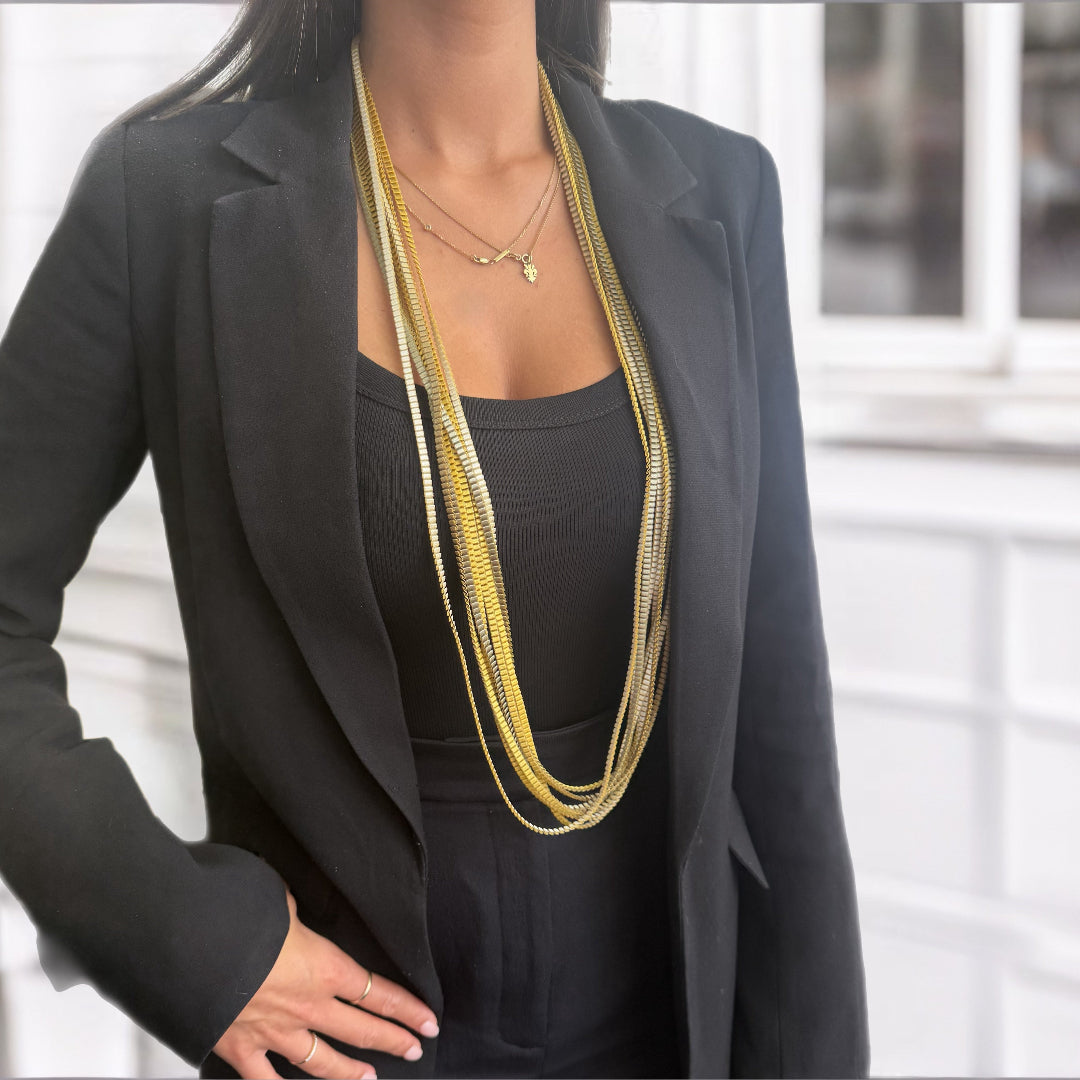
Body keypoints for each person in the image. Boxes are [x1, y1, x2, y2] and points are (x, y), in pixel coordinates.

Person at [0, 1, 871, 1078]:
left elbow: (778, 723)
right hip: (345, 1044)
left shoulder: (720, 191)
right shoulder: (165, 198)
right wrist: (187, 940)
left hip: (671, 1033)